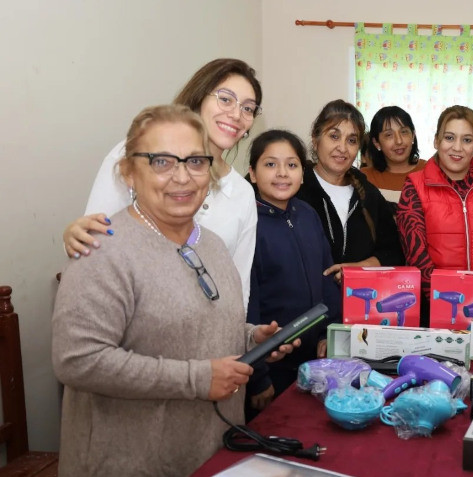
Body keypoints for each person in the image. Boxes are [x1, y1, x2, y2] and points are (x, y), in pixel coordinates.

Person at [52, 105, 298, 477]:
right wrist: (197, 379)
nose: (182, 177)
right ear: (129, 173)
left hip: (212, 450)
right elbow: (78, 359)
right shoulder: (101, 249)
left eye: (196, 161)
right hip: (129, 461)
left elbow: (200, 329)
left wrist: (254, 339)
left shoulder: (212, 244)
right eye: (162, 162)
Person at [62, 58, 261, 309]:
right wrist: (75, 236)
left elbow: (237, 289)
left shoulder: (242, 193)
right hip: (128, 319)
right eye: (225, 99)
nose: (236, 114)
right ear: (200, 97)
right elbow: (92, 242)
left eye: (248, 108)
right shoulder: (137, 156)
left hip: (208, 335)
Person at [244, 129, 341, 420]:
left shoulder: (307, 214)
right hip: (273, 364)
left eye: (292, 164)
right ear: (252, 173)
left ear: (302, 173)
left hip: (315, 357)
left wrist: (330, 333)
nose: (282, 173)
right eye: (270, 164)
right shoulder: (248, 223)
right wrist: (258, 377)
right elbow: (249, 303)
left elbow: (327, 277)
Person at [397, 105, 473, 326]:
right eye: (449, 137)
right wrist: (441, 299)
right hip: (435, 306)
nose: (457, 148)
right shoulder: (414, 186)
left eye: (467, 140)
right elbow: (415, 252)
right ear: (436, 141)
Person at [297, 99, 404, 282]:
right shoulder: (296, 189)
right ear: (315, 140)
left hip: (361, 303)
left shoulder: (368, 194)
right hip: (306, 305)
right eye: (334, 136)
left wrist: (359, 268)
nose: (342, 148)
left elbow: (394, 251)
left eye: (352, 140)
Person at [361, 106, 427, 205]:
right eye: (389, 135)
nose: (399, 141)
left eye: (404, 132)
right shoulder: (365, 177)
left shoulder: (430, 170)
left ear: (413, 135)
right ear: (376, 143)